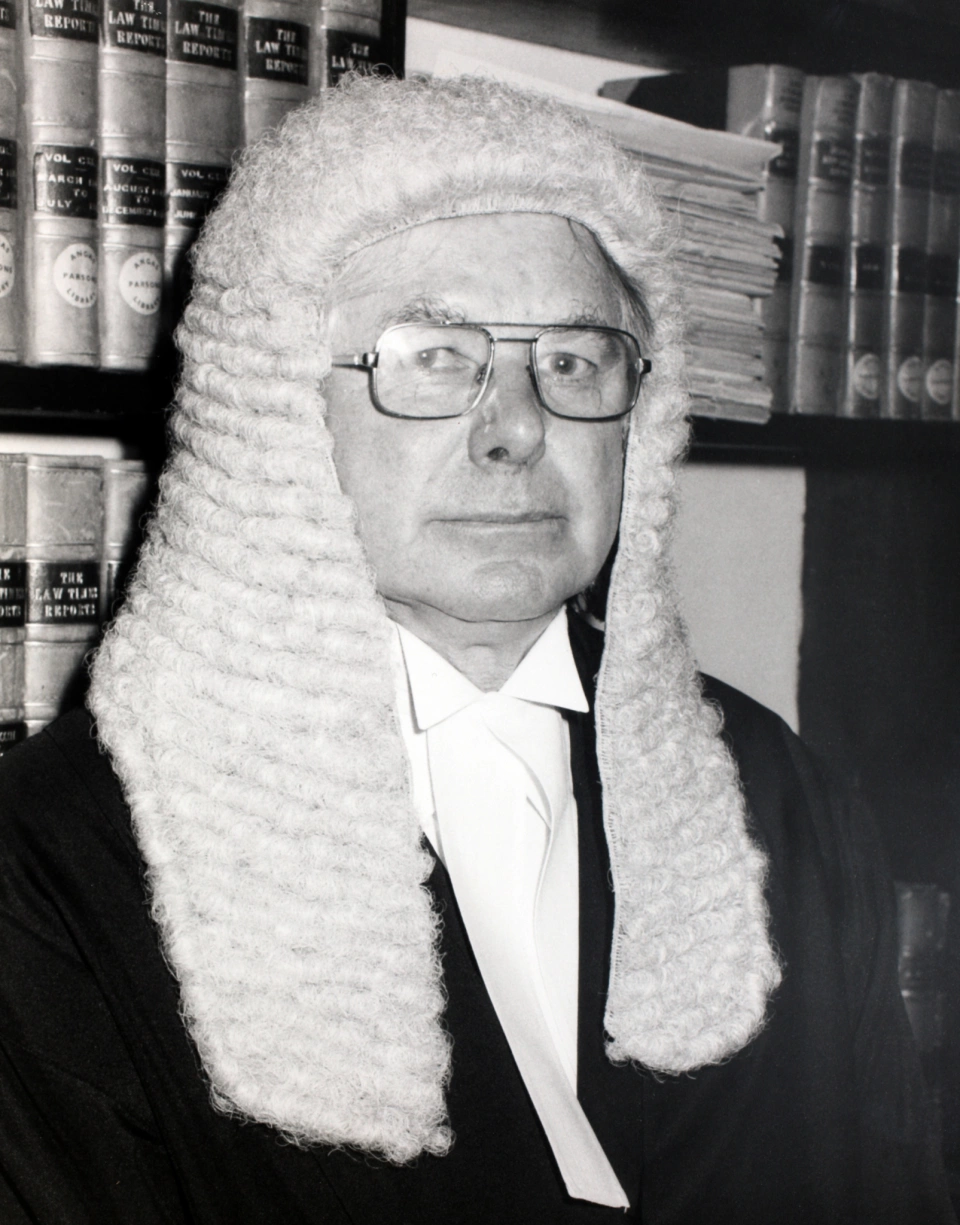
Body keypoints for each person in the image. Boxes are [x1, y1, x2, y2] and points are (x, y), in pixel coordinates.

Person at [0, 74, 953, 1224]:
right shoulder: (52, 865)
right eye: (432, 356)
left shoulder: (778, 800)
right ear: (271, 408)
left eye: (576, 360)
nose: (516, 427)